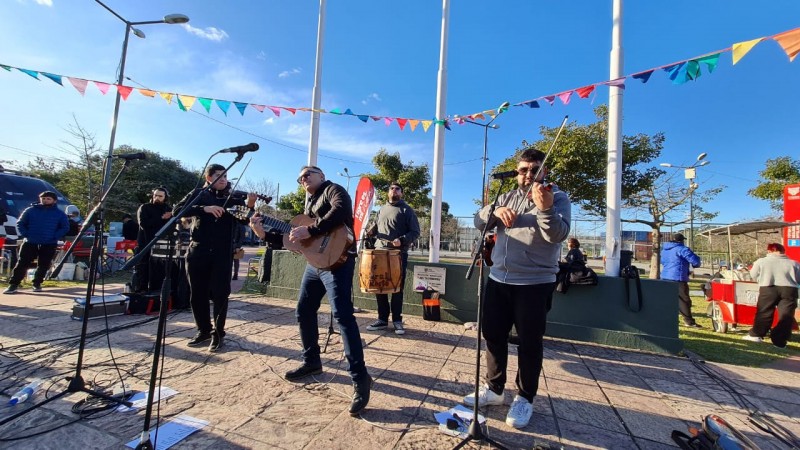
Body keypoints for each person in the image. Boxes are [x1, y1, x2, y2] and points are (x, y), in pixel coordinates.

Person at [249, 165, 372, 417]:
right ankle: (311, 361)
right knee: (304, 310)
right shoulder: (309, 206)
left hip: (338, 262)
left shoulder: (333, 190)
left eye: (307, 174)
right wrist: (262, 234)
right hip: (315, 265)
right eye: (299, 178)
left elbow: (341, 212)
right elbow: (293, 241)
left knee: (342, 317)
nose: (302, 179)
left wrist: (313, 230)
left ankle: (360, 379)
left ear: (321, 176)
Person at [465, 148, 571, 429]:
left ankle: (525, 397)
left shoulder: (557, 197)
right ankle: (495, 389)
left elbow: (557, 234)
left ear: (544, 171)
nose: (528, 174)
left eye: (534, 169)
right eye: (523, 169)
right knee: (493, 335)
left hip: (535, 283)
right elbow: (479, 221)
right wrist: (494, 210)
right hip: (499, 279)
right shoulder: (507, 196)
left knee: (529, 343)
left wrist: (545, 208)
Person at [174, 166, 255, 352]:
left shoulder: (234, 198)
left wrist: (250, 205)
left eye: (225, 176)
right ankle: (203, 330)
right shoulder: (199, 193)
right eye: (218, 176)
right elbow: (178, 210)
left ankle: (218, 333)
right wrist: (205, 208)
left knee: (220, 294)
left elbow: (245, 219)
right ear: (208, 177)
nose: (223, 179)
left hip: (222, 252)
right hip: (198, 250)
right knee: (197, 293)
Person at [364, 182, 420, 335]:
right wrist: (370, 231)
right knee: (379, 287)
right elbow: (376, 226)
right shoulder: (381, 209)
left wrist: (402, 240)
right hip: (379, 253)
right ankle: (382, 320)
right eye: (391, 188)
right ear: (388, 192)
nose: (394, 191)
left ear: (401, 193)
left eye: (397, 189)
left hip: (398, 255)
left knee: (397, 289)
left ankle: (397, 320)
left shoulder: (406, 210)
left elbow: (415, 232)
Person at [3, 191, 70, 294]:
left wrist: (54, 236)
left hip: (49, 243)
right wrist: (26, 234)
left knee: (43, 264)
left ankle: (37, 283)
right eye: (43, 198)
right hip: (30, 241)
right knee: (22, 263)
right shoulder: (30, 210)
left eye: (48, 199)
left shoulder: (59, 214)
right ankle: (13, 284)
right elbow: (20, 223)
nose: (45, 200)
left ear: (54, 201)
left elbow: (65, 227)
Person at [745, 243, 800, 348]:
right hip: (789, 290)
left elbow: (753, 275)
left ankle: (757, 334)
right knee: (786, 315)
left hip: (768, 288)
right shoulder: (794, 263)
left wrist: (760, 280)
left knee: (764, 312)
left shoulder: (761, 262)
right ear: (783, 251)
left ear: (769, 251)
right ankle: (779, 341)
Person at [135, 188, 173, 293]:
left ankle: (157, 291)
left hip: (162, 244)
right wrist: (162, 218)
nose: (157, 198)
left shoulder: (168, 209)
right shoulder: (145, 207)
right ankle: (141, 291)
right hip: (145, 242)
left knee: (159, 269)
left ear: (165, 197)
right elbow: (144, 224)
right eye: (155, 195)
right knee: (143, 268)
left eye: (160, 196)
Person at [660, 233, 702, 328]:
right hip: (678, 277)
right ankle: (689, 321)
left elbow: (662, 261)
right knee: (684, 300)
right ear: (681, 240)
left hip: (665, 276)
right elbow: (695, 261)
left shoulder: (664, 250)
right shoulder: (682, 249)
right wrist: (696, 265)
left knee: (668, 300)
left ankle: (666, 319)